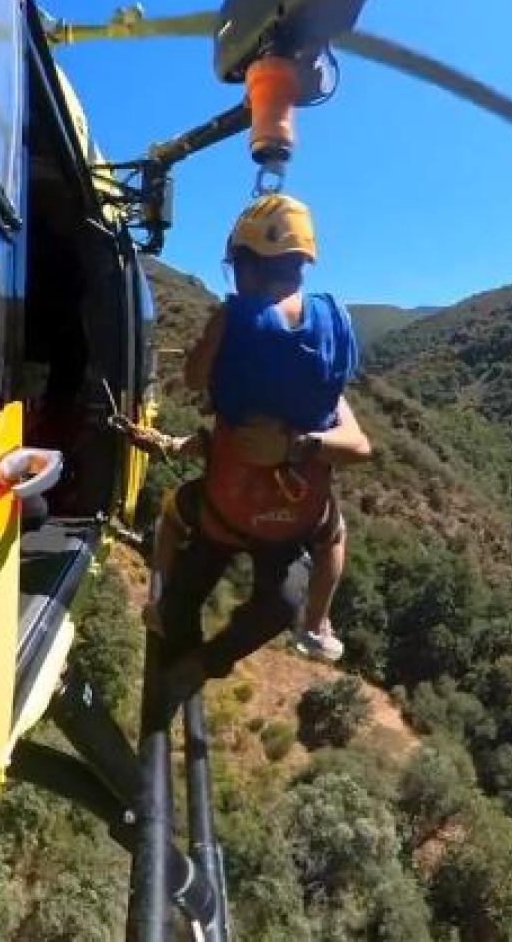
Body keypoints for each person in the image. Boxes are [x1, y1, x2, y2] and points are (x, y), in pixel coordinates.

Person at [144, 194, 370, 701]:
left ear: (246, 265)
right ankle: (313, 622)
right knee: (296, 583)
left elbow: (195, 377)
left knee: (176, 536)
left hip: (225, 507)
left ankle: (172, 632)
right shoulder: (331, 337)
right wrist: (299, 446)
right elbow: (358, 443)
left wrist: (212, 335)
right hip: (289, 521)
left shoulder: (233, 322)